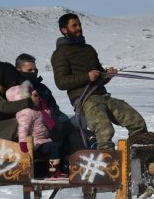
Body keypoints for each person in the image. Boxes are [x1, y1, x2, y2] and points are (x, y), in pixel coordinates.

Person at [51, 13, 147, 150]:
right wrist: (86, 77)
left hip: (103, 95)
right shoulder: (60, 53)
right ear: (64, 30)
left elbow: (99, 75)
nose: (79, 28)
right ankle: (107, 165)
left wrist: (107, 75)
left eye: (79, 25)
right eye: (74, 25)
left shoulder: (88, 49)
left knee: (136, 121)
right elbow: (61, 82)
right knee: (105, 131)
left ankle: (139, 156)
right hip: (85, 100)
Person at [15, 53, 85, 157]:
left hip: (51, 123)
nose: (34, 72)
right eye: (29, 70)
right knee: (69, 132)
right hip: (35, 131)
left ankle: (81, 157)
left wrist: (63, 121)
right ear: (18, 70)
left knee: (79, 122)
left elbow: (54, 108)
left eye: (35, 69)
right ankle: (77, 159)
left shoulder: (42, 88)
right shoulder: (17, 90)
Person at [5, 81, 65, 178]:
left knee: (59, 144)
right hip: (34, 145)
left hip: (41, 141)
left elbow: (45, 115)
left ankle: (56, 169)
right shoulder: (26, 112)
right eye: (33, 95)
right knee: (54, 147)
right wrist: (23, 143)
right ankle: (53, 171)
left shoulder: (37, 110)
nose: (37, 97)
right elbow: (23, 129)